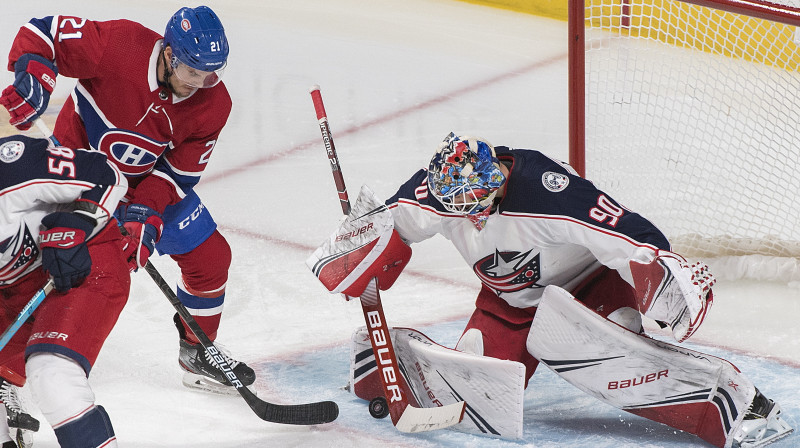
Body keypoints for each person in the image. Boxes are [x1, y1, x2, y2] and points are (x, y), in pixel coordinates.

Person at [319, 133, 793, 447]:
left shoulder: (548, 191)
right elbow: (388, 220)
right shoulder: (440, 192)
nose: (462, 215)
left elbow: (628, 233)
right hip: (509, 303)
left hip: (590, 291)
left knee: (617, 353)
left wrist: (663, 274)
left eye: (471, 203)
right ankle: (380, 369)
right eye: (452, 206)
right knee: (477, 384)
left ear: (493, 180)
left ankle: (737, 405)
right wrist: (360, 244)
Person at [0, 5, 255, 393]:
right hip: (76, 176)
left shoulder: (214, 104)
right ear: (169, 54)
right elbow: (44, 33)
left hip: (142, 186)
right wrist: (33, 76)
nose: (201, 83)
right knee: (60, 270)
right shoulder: (119, 45)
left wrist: (146, 214)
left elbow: (177, 173)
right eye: (192, 72)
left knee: (212, 257)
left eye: (210, 74)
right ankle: (7, 377)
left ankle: (196, 352)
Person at [0, 134, 129, 447]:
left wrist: (78, 221)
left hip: (83, 265)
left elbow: (104, 173)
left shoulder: (12, 168)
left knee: (51, 372)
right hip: (16, 291)